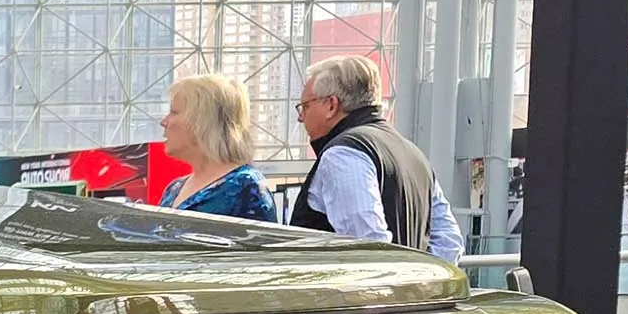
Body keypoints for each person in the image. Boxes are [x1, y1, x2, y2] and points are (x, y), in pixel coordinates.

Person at [288, 55, 463, 260]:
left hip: (352, 291)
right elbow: (449, 243)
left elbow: (367, 247)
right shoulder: (415, 155)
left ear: (331, 105)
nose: (301, 117)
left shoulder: (343, 154)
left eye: (306, 106)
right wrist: (416, 282)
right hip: (412, 289)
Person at [155, 73, 276, 221]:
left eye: (174, 112)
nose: (164, 122)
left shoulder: (247, 187)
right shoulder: (174, 189)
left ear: (202, 121)